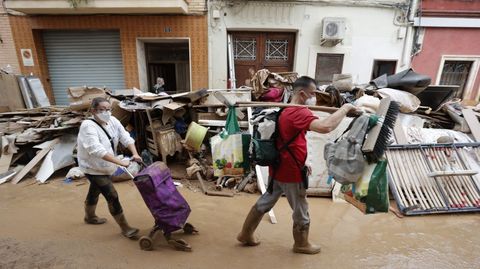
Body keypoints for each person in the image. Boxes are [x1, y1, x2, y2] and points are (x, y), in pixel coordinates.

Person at [237, 76, 358, 254]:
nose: (314, 97)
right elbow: (326, 127)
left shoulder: (286, 110)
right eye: (312, 93)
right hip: (292, 172)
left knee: (266, 200)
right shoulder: (299, 112)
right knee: (301, 209)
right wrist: (345, 108)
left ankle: (246, 234)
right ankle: (301, 243)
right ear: (302, 94)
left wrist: (305, 160)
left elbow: (290, 139)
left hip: (278, 167)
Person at [77, 97, 142, 239]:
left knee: (95, 190)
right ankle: (125, 228)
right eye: (102, 110)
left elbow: (126, 137)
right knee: (111, 194)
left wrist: (135, 154)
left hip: (106, 165)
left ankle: (90, 216)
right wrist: (120, 163)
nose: (106, 112)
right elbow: (96, 150)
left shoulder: (112, 121)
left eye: (108, 109)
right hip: (92, 167)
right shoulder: (88, 126)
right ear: (93, 111)